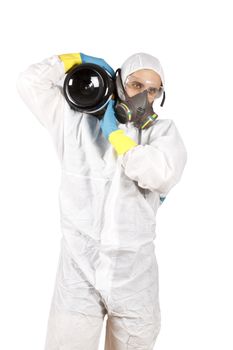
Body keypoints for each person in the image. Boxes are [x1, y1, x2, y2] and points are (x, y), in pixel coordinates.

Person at [16, 51, 187, 350]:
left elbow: (159, 173)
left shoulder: (161, 133)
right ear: (117, 81)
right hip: (78, 274)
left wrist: (117, 137)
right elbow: (29, 82)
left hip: (134, 279)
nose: (144, 97)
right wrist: (73, 58)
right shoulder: (73, 122)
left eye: (152, 90)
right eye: (136, 85)